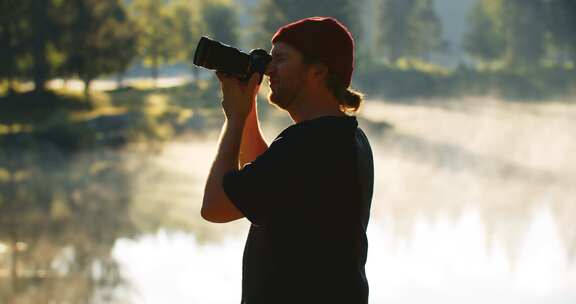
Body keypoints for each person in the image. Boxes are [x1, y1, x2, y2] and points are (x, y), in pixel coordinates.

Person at [201, 16, 374, 304]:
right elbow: (269, 179)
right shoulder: (347, 137)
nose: (268, 69)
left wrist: (234, 121)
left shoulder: (306, 145)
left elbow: (216, 207)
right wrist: (247, 109)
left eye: (280, 59)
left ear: (318, 71)